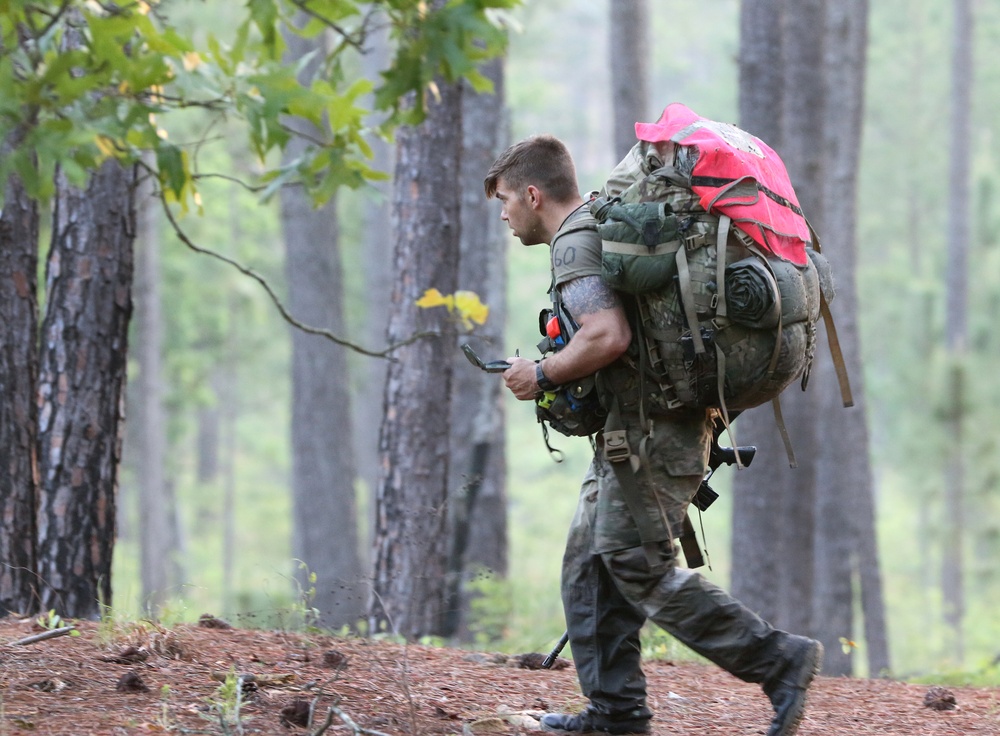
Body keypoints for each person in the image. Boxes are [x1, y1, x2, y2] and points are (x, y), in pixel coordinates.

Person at [483, 134, 822, 736]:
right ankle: (615, 715)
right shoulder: (596, 227)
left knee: (635, 564)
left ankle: (778, 661)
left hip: (651, 435)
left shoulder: (576, 244)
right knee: (589, 566)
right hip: (635, 430)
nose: (505, 215)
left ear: (533, 194)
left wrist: (540, 373)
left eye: (506, 200)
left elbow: (605, 336)